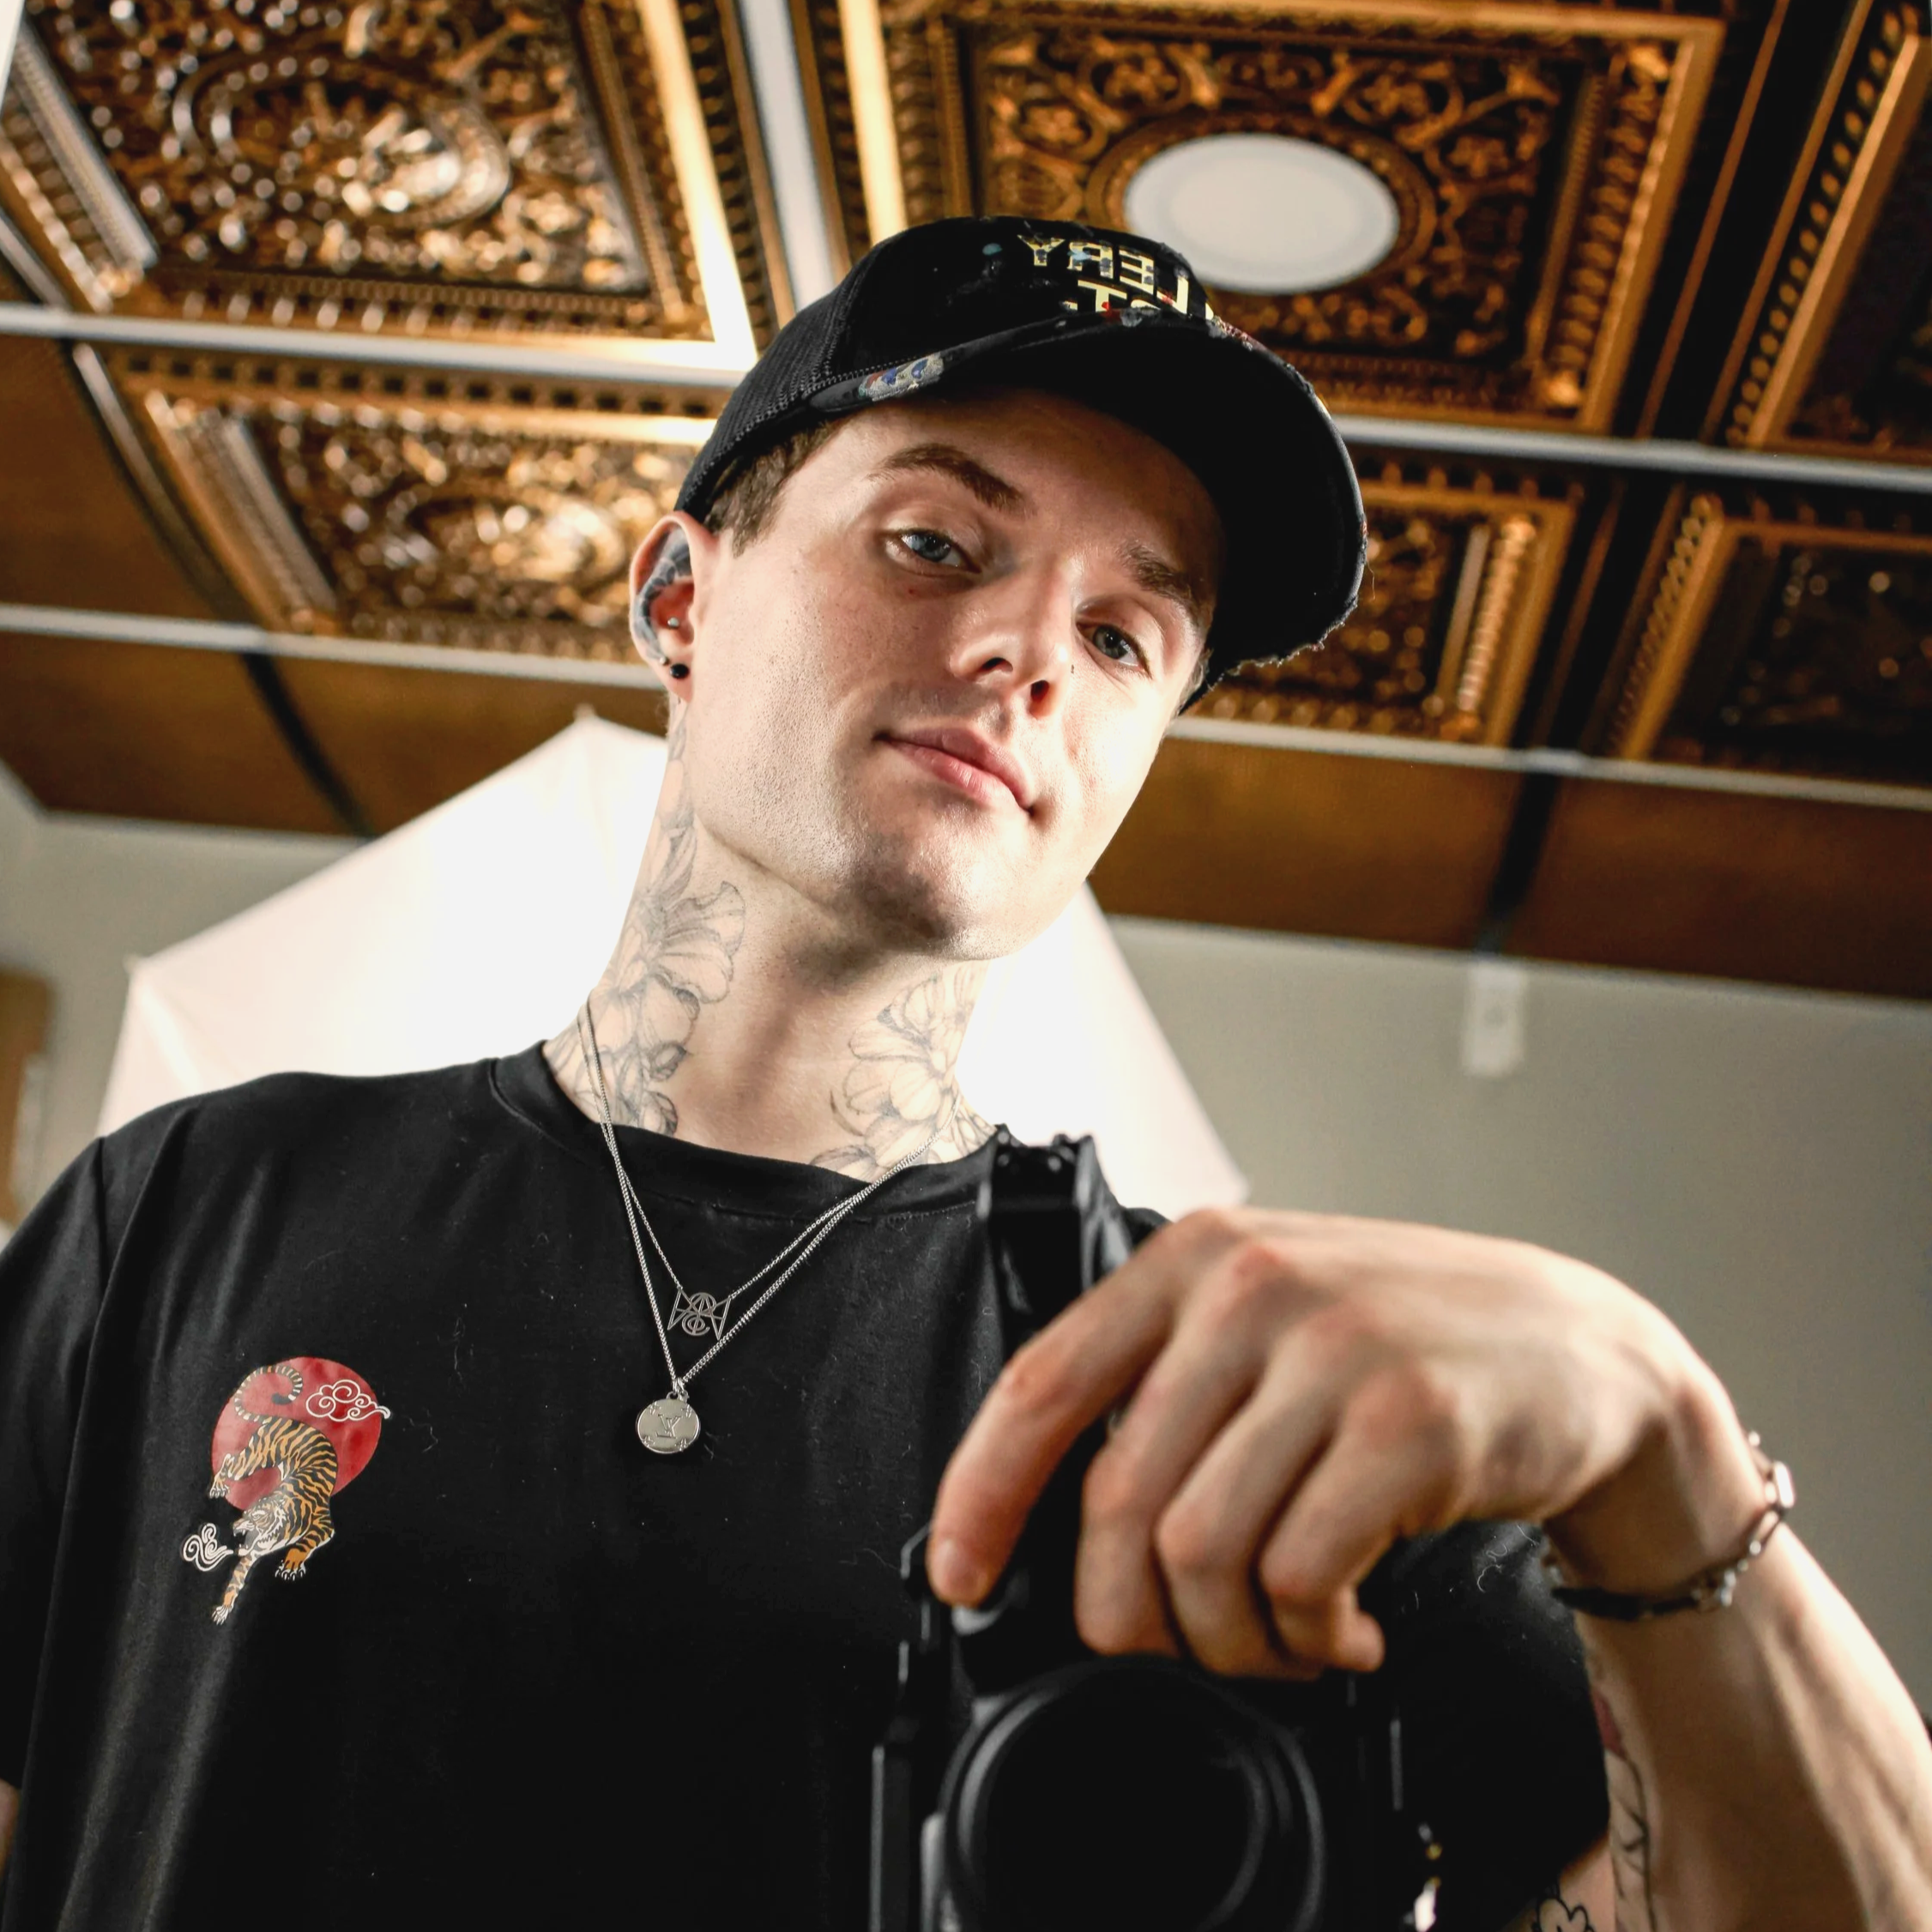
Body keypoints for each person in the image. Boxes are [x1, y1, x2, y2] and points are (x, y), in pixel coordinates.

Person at [0, 214, 1927, 1930]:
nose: (1029, 658)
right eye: (935, 542)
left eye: (1123, 632)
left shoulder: (1230, 1384)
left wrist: (1661, 1442)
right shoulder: (185, 1205)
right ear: (680, 599)